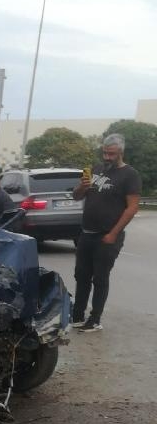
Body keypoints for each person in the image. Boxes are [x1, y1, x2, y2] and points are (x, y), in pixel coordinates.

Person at [71, 133, 141, 332]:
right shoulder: (96, 169)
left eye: (111, 154)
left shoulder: (130, 175)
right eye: (105, 153)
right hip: (87, 233)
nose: (107, 157)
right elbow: (76, 196)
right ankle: (77, 315)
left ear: (121, 152)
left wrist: (113, 233)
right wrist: (82, 187)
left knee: (100, 277)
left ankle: (95, 319)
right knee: (81, 275)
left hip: (108, 235)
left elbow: (132, 207)